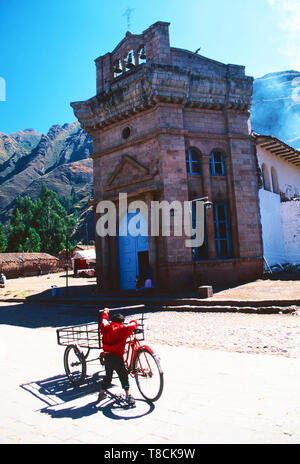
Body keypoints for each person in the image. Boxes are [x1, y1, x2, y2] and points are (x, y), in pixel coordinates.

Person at [98, 308, 138, 406]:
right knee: (123, 376)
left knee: (108, 376)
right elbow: (132, 324)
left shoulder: (106, 326)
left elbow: (104, 320)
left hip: (107, 356)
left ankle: (101, 393)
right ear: (122, 322)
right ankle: (128, 395)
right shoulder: (123, 329)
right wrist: (134, 321)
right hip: (118, 357)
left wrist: (105, 312)